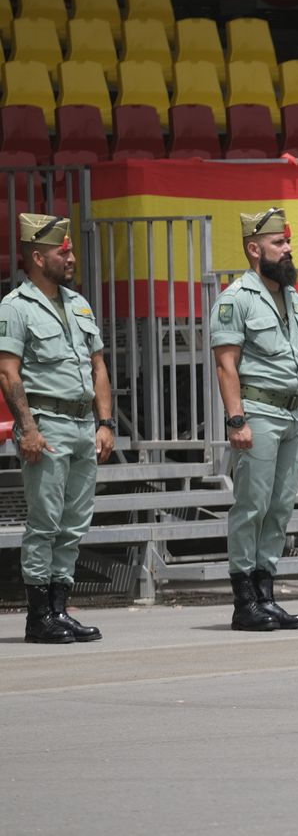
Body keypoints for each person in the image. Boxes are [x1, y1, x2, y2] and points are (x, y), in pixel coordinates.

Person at [210, 208, 298, 632]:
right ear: (254, 248)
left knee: (279, 507)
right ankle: (245, 600)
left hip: (294, 413)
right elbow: (226, 364)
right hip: (258, 412)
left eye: (288, 242)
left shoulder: (292, 297)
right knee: (252, 506)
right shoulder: (235, 298)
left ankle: (266, 592)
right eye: (280, 243)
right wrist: (236, 419)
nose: (288, 248)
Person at [0, 213, 114, 644]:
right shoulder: (15, 307)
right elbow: (9, 373)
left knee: (74, 521)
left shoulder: (78, 304)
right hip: (47, 425)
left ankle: (60, 607)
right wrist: (26, 428)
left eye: (69, 249)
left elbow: (98, 367)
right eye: (60, 251)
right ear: (36, 256)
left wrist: (104, 422)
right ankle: (38, 615)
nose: (69, 256)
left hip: (84, 424)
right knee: (45, 521)